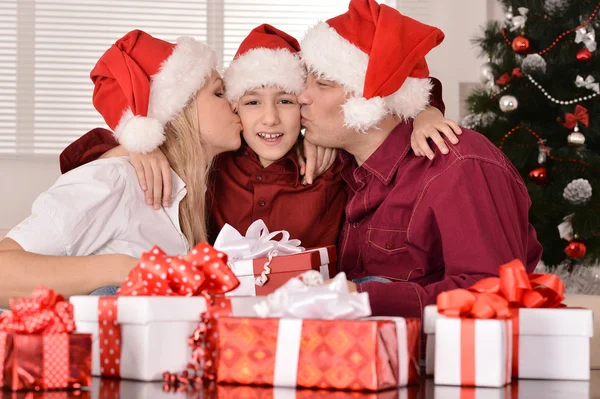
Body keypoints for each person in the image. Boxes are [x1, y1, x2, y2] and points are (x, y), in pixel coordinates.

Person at [57, 25, 459, 248]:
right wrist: (142, 146)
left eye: (285, 101)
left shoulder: (329, 159)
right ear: (233, 108)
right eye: (251, 103)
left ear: (303, 102)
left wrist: (425, 111)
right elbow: (79, 157)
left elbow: (391, 94)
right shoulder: (216, 160)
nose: (270, 118)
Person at [298, 0, 543, 317]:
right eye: (305, 81)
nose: (302, 96)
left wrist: (361, 297)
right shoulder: (339, 168)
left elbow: (492, 291)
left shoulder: (459, 164)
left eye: (324, 83)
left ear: (372, 100)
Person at [0, 30, 242, 306]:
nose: (234, 104)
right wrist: (121, 267)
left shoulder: (185, 198)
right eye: (219, 92)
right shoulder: (116, 179)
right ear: (179, 111)